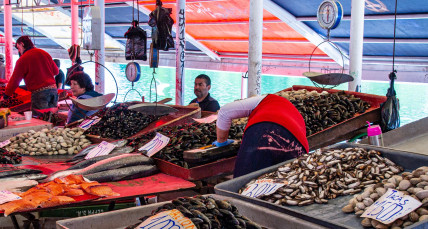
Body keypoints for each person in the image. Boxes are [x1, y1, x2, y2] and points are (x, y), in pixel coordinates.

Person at [213, 94, 309, 177]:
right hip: (298, 145)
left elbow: (225, 112)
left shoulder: (265, 99)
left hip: (264, 133)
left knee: (244, 186)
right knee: (286, 191)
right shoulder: (291, 111)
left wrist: (222, 142)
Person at [4, 36, 58, 113]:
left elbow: (15, 80)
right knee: (52, 118)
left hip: (39, 93)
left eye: (18, 48)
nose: (19, 51)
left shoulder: (23, 59)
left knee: (40, 120)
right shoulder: (44, 53)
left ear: (21, 44)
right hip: (53, 91)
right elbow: (56, 71)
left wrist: (7, 95)